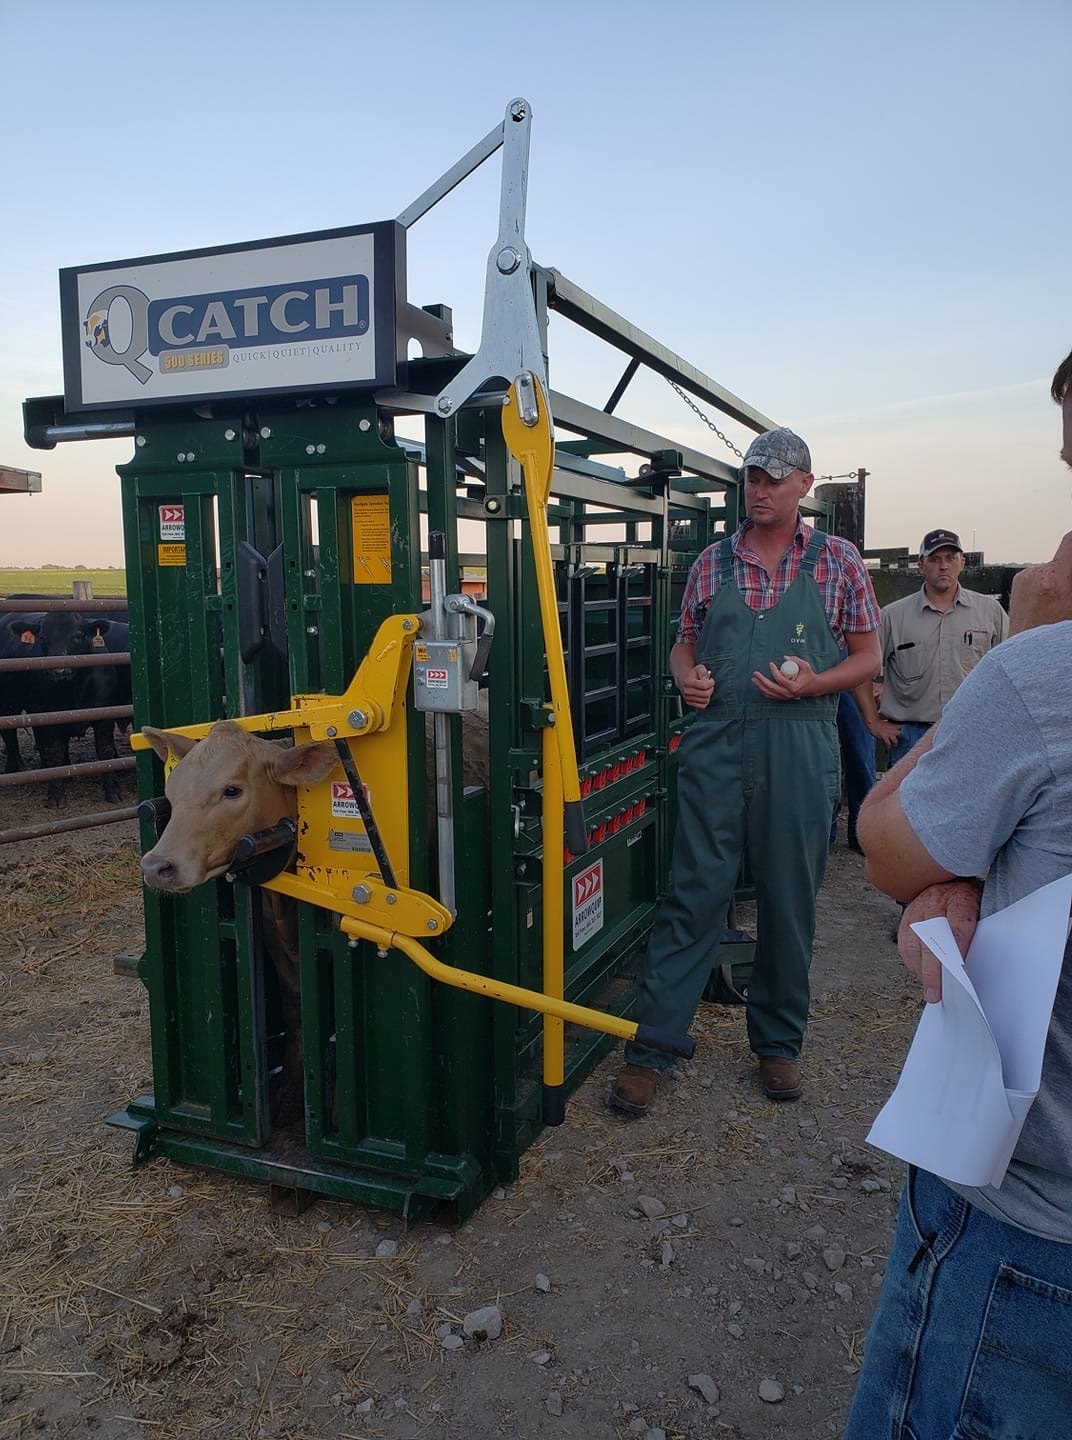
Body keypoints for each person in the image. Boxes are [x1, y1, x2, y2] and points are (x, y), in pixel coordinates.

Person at [844, 347, 1072, 1439]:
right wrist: (979, 861)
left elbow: (886, 847)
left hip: (1030, 1231)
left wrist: (1029, 649)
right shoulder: (904, 615)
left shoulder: (1033, 660)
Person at [610, 427, 881, 1113]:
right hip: (715, 752)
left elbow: (868, 659)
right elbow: (683, 645)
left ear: (803, 486)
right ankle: (651, 1049)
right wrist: (687, 681)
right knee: (692, 898)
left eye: (772, 478)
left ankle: (778, 1046)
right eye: (751, 477)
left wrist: (815, 684)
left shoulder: (838, 562)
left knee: (789, 905)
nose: (758, 489)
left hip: (798, 751)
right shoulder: (711, 563)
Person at [856, 528, 1008, 767]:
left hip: (972, 733)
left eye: (950, 558)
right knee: (905, 805)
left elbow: (1011, 671)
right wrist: (873, 722)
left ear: (962, 562)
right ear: (921, 565)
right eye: (935, 559)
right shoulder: (893, 617)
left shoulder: (990, 613)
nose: (943, 566)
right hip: (911, 738)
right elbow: (860, 670)